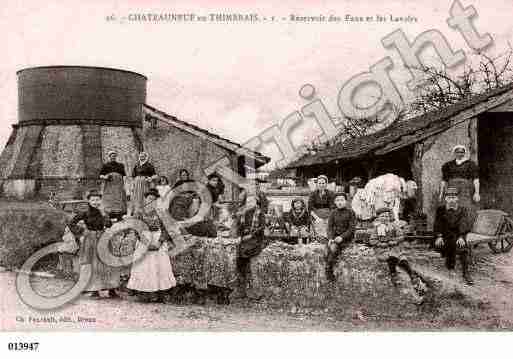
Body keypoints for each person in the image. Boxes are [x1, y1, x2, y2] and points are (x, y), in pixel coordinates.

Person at [69, 190, 122, 298]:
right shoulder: (85, 213)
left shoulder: (103, 212)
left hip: (103, 239)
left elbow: (108, 224)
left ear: (100, 200)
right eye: (93, 200)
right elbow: (71, 223)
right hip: (91, 239)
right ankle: (94, 289)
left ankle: (111, 289)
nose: (95, 202)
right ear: (88, 201)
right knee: (93, 263)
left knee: (107, 263)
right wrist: (82, 232)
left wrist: (104, 215)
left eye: (97, 199)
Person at [127, 188, 177, 302]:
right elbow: (136, 228)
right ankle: (144, 292)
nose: (151, 201)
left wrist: (159, 242)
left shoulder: (162, 212)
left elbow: (166, 229)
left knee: (159, 265)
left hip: (158, 238)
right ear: (145, 200)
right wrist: (145, 244)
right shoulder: (139, 212)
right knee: (144, 266)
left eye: (154, 200)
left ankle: (159, 292)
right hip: (144, 238)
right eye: (149, 199)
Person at [434, 186, 474, 285]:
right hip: (444, 235)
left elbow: (464, 223)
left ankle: (466, 273)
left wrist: (461, 236)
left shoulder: (462, 210)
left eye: (453, 197)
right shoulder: (440, 210)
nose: (451, 199)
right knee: (445, 244)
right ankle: (450, 267)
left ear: (457, 199)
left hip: (458, 234)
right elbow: (437, 224)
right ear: (446, 199)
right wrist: (439, 236)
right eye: (449, 197)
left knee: (462, 247)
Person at [235, 194, 267, 298]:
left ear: (256, 203)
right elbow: (239, 227)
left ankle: (255, 292)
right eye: (247, 202)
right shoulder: (244, 213)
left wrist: (250, 235)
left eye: (251, 202)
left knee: (252, 263)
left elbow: (262, 227)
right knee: (240, 263)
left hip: (256, 240)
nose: (249, 204)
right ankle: (242, 290)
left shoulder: (260, 213)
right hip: (244, 240)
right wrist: (239, 235)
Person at [439, 145, 480, 218]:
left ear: (464, 153)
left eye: (462, 152)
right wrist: (441, 194)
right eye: (457, 152)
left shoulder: (470, 164)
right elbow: (444, 180)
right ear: (454, 153)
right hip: (451, 189)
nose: (460, 154)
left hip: (464, 190)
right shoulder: (448, 165)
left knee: (464, 207)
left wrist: (477, 193)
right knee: (452, 208)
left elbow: (476, 180)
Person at [325, 194, 355, 281]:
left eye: (342, 200)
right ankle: (329, 269)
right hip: (335, 237)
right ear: (335, 202)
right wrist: (330, 238)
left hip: (346, 238)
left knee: (333, 248)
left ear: (346, 201)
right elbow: (329, 227)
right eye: (337, 200)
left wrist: (342, 237)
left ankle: (329, 271)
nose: (340, 202)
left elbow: (351, 228)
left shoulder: (351, 212)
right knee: (326, 250)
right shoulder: (333, 213)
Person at [99, 150, 127, 221]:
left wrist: (124, 185)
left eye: (114, 156)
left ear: (116, 157)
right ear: (109, 157)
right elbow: (101, 175)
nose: (113, 157)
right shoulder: (106, 165)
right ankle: (108, 214)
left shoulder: (120, 165)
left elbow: (124, 175)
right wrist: (105, 177)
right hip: (109, 185)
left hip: (118, 185)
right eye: (112, 156)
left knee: (119, 199)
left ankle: (119, 215)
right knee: (109, 199)